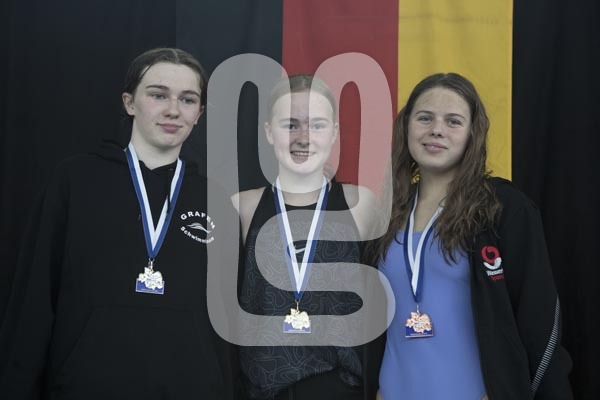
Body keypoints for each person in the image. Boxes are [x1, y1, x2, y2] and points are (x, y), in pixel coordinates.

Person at [0, 48, 240, 399]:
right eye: (158, 95)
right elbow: (33, 302)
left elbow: (226, 326)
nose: (173, 110)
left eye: (188, 100)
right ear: (129, 103)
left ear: (199, 113)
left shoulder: (214, 198)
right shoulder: (75, 181)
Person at [363, 72, 573, 399]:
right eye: (425, 118)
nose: (437, 130)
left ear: (473, 134)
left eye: (453, 121)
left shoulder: (503, 209)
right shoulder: (385, 212)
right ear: (406, 126)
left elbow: (540, 321)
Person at [232, 74, 375, 399]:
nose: (303, 137)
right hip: (261, 389)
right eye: (290, 125)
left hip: (339, 388)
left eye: (317, 125)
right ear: (269, 131)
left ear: (334, 132)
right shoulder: (242, 207)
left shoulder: (360, 204)